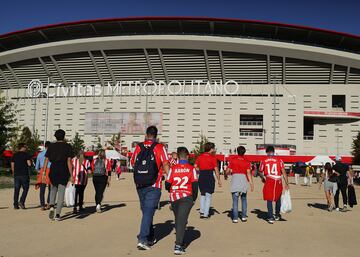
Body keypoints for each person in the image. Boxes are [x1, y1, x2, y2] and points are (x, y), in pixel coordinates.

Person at [130, 126, 170, 250]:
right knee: (148, 212)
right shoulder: (160, 147)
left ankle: (150, 236)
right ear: (156, 136)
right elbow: (165, 163)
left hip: (140, 184)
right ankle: (142, 239)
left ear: (146, 135)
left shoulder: (138, 146)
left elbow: (132, 163)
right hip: (154, 184)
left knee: (146, 211)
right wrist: (169, 178)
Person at [165, 147, 198, 255]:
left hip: (174, 197)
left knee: (179, 219)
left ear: (178, 157)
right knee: (181, 221)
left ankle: (180, 241)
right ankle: (178, 245)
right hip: (186, 196)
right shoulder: (191, 168)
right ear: (188, 156)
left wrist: (173, 188)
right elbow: (194, 185)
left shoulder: (173, 168)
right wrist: (194, 198)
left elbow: (167, 184)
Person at [43, 129, 73, 221]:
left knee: (53, 188)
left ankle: (51, 205)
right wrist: (71, 174)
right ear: (64, 136)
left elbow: (46, 159)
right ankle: (57, 215)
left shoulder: (51, 146)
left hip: (54, 168)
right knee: (61, 192)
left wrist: (44, 171)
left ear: (55, 136)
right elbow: (69, 161)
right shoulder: (68, 146)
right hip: (63, 169)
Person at [259, 146, 289, 224]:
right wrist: (287, 183)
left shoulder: (264, 160)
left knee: (269, 199)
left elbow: (260, 171)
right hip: (278, 180)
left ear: (267, 152)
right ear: (273, 151)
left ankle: (270, 217)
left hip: (269, 179)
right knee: (277, 198)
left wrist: (262, 178)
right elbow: (284, 172)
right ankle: (277, 214)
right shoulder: (280, 160)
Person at [226, 146, 254, 223]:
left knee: (235, 201)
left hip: (235, 179)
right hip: (243, 180)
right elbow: (248, 173)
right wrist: (251, 184)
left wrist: (226, 174)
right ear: (244, 152)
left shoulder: (233, 160)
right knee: (244, 199)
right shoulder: (247, 161)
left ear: (237, 151)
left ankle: (235, 218)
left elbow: (227, 170)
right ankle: (244, 217)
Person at [194, 142, 222, 219]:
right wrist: (219, 180)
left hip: (202, 175)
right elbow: (216, 170)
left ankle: (202, 212)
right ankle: (206, 214)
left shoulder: (200, 157)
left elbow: (195, 166)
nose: (214, 149)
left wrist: (200, 170)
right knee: (208, 196)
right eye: (214, 148)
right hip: (209, 175)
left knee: (203, 194)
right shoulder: (213, 158)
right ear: (211, 149)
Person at [11, 143, 32, 209]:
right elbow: (29, 164)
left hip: (17, 174)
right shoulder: (26, 155)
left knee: (16, 190)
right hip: (24, 174)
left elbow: (12, 164)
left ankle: (15, 204)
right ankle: (22, 201)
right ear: (23, 147)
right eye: (25, 147)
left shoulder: (14, 155)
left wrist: (14, 172)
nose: (26, 148)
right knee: (26, 188)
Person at [35, 141, 51, 210]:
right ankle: (49, 203)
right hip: (50, 171)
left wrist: (40, 171)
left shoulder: (40, 154)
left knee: (42, 189)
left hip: (42, 171)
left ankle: (42, 205)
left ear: (45, 146)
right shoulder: (52, 154)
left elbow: (36, 167)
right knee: (51, 189)